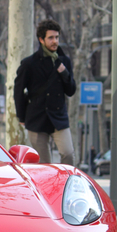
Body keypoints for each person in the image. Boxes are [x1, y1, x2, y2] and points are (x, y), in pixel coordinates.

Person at [13, 19, 76, 165]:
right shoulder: (29, 63)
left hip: (59, 117)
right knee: (44, 164)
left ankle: (66, 184)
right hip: (36, 118)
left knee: (68, 154)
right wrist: (21, 116)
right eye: (51, 38)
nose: (55, 41)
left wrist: (65, 74)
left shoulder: (64, 61)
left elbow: (71, 91)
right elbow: (18, 90)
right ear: (41, 40)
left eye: (57, 37)